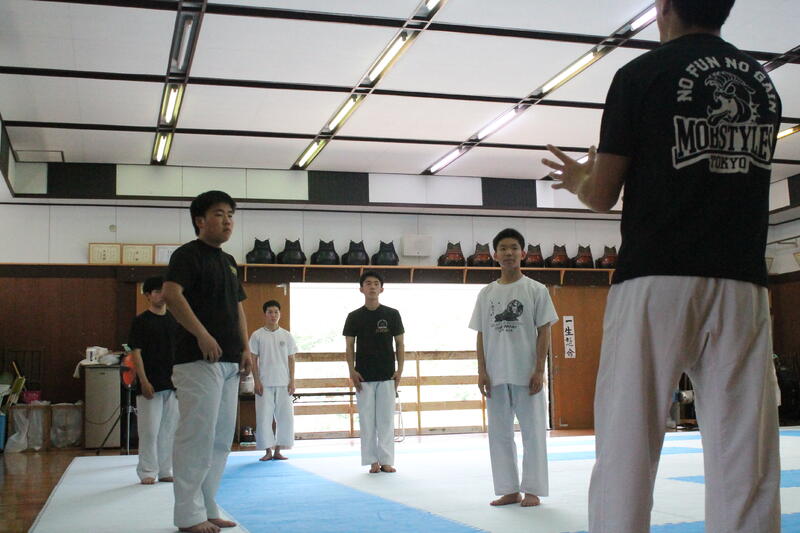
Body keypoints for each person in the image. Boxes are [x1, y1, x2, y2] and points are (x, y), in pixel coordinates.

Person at [541, 1, 782, 531]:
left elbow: (602, 194)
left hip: (656, 276)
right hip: (741, 280)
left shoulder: (641, 74)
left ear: (664, 7)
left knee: (628, 440)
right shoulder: (762, 83)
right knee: (745, 452)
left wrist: (579, 178)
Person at [162, 190, 253, 533]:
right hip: (197, 360)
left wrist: (245, 348)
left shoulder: (229, 261)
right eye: (219, 214)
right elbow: (172, 295)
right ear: (199, 220)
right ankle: (188, 515)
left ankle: (208, 504)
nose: (227, 220)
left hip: (230, 360)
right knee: (196, 436)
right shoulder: (187, 255)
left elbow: (238, 307)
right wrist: (201, 334)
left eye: (230, 214)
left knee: (220, 439)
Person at [469, 228, 558, 508]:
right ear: (495, 255)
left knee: (534, 433)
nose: (509, 253)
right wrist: (482, 370)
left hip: (526, 373)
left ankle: (533, 490)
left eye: (514, 248)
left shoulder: (536, 289)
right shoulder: (487, 293)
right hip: (495, 373)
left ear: (523, 253)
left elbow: (544, 331)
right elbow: (481, 333)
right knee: (499, 435)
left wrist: (539, 370)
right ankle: (509, 490)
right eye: (503, 248)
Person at [343, 270, 405, 474]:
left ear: (382, 289)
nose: (372, 286)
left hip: (387, 374)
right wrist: (352, 371)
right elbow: (349, 346)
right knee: (367, 420)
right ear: (361, 289)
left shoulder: (392, 314)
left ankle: (386, 460)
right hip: (363, 375)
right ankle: (372, 461)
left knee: (386, 420)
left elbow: (400, 343)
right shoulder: (354, 317)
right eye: (368, 283)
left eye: (376, 283)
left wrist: (400, 370)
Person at [128, 276, 179, 485]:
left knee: (169, 430)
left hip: (172, 383)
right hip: (150, 382)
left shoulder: (174, 320)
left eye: (163, 291)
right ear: (148, 295)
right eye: (157, 292)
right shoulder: (141, 321)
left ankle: (166, 469)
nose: (161, 295)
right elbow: (136, 353)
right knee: (149, 430)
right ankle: (147, 470)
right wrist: (143, 380)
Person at [249, 299, 298, 461]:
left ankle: (278, 450)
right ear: (265, 314)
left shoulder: (286, 335)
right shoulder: (257, 335)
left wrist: (292, 381)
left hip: (284, 382)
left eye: (276, 312)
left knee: (285, 417)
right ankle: (267, 451)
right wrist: (256, 381)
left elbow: (291, 359)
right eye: (270, 312)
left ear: (280, 314)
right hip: (264, 383)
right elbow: (253, 359)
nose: (273, 315)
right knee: (264, 417)